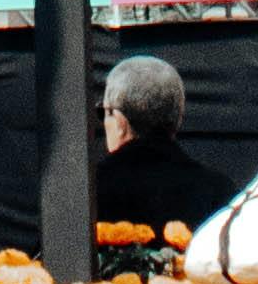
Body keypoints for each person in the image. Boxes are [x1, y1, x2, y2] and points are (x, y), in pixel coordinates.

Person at [97, 53, 229, 240]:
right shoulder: (220, 191)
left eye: (102, 112)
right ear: (178, 117)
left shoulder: (88, 190)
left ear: (119, 120)